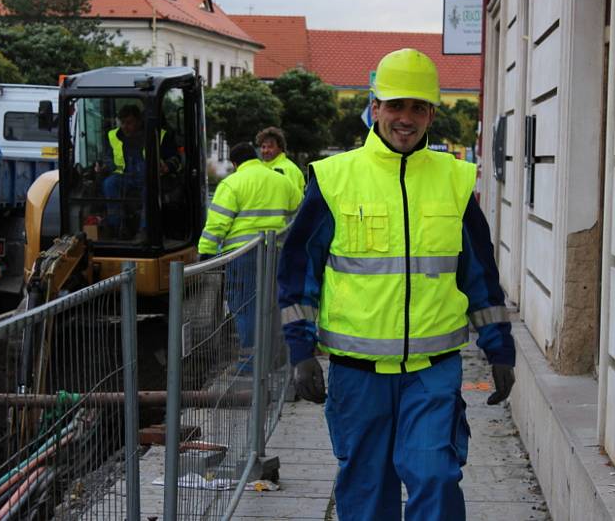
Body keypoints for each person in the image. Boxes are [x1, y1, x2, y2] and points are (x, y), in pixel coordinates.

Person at [277, 48, 516, 521]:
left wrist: (500, 347)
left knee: (435, 474)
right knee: (367, 488)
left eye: (419, 107)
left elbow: (480, 275)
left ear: (431, 113)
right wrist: (300, 352)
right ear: (376, 106)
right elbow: (298, 273)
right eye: (396, 105)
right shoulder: (334, 179)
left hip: (433, 370)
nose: (406, 118)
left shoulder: (454, 179)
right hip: (357, 372)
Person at [199, 142, 302, 369]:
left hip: (242, 255)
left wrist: (205, 252)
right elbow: (298, 209)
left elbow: (217, 222)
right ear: (255, 156)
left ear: (235, 163)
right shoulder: (281, 180)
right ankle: (275, 359)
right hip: (275, 252)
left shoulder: (232, 183)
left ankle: (250, 362)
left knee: (244, 306)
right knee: (273, 305)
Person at [100, 103, 179, 241]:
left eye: (129, 122)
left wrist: (167, 166)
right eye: (122, 122)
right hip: (124, 177)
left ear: (139, 121)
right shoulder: (113, 136)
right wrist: (104, 166)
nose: (125, 126)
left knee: (150, 190)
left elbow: (176, 159)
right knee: (109, 184)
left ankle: (144, 230)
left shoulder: (159, 135)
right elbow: (108, 159)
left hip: (148, 178)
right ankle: (116, 226)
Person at [256, 126, 306, 192]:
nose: (266, 150)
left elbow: (295, 197)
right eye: (263, 147)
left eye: (270, 147)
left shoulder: (288, 169)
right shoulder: (260, 168)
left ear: (280, 148)